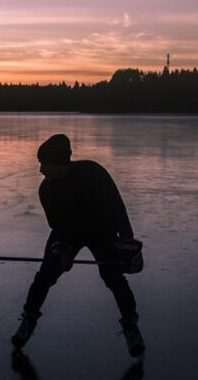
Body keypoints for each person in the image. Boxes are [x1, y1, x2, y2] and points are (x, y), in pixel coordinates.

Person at [11, 134, 145, 356]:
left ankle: (130, 325)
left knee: (113, 278)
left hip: (102, 231)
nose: (41, 170)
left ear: (59, 163)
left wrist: (127, 241)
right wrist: (62, 250)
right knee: (46, 274)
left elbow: (117, 206)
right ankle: (29, 318)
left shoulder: (93, 172)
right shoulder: (47, 190)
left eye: (44, 164)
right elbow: (58, 225)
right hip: (68, 232)